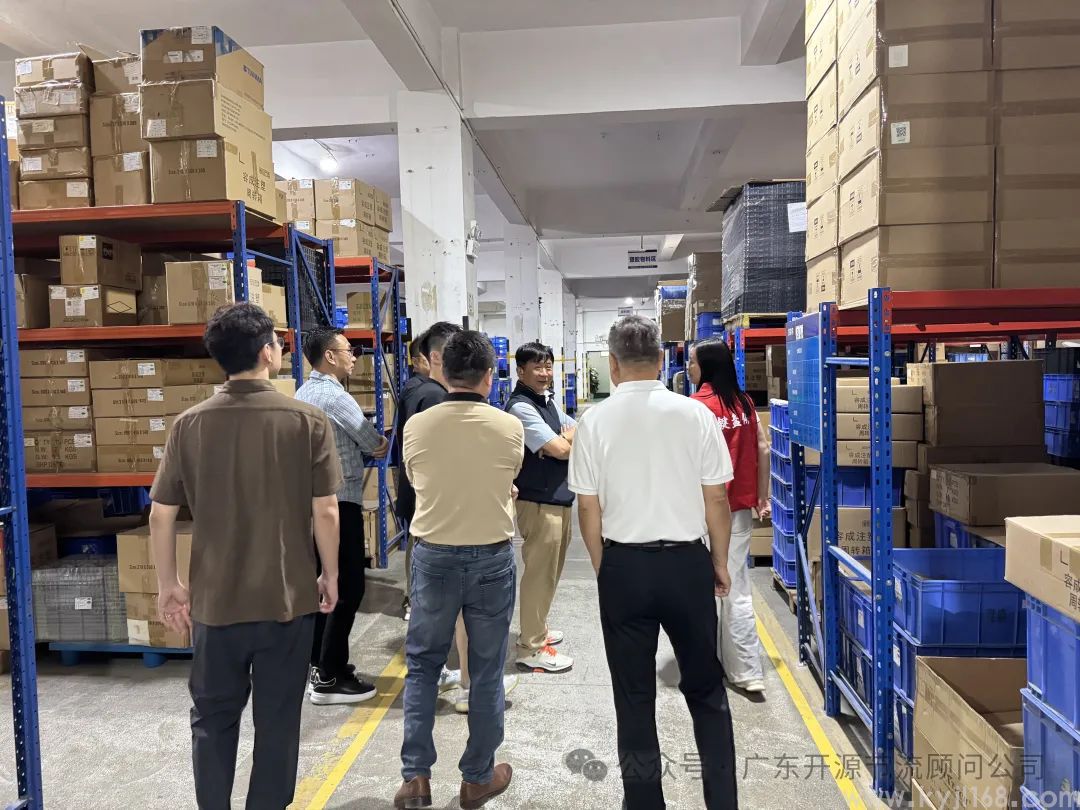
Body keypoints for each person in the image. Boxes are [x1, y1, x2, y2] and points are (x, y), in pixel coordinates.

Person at [150, 303, 343, 810]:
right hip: (287, 600)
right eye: (277, 341)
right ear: (266, 352)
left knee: (212, 719)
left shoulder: (188, 424)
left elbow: (161, 514)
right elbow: (326, 510)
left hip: (216, 605)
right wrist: (330, 573)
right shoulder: (307, 420)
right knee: (278, 722)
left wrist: (169, 585)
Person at [568, 315, 739, 810]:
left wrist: (604, 566)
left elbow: (588, 508)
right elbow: (717, 500)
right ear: (662, 360)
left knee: (634, 698)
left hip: (624, 566)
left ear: (613, 364)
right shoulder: (695, 415)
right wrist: (719, 562)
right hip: (687, 564)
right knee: (706, 692)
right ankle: (722, 802)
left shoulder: (594, 421)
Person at [396, 330, 523, 810]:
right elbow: (507, 478)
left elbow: (417, 480)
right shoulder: (508, 426)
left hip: (433, 555)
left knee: (423, 666)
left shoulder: (417, 425)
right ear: (489, 376)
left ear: (442, 372)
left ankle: (415, 778)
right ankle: (477, 778)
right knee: (486, 670)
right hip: (490, 555)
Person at [296, 327, 391, 704]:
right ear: (330, 356)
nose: (354, 357)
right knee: (348, 587)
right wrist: (380, 442)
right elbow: (372, 441)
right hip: (340, 501)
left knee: (324, 585)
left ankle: (319, 664)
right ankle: (329, 677)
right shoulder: (335, 396)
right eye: (349, 350)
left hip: (312, 501)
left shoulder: (303, 393)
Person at [688, 338, 770, 694]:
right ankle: (743, 668)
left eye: (692, 361)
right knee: (735, 584)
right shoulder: (745, 404)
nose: (688, 367)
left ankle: (712, 665)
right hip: (738, 513)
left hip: (702, 512)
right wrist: (762, 496)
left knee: (705, 589)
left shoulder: (696, 407)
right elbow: (764, 448)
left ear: (706, 366)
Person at [505, 341, 575, 673]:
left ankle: (538, 628)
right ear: (521, 371)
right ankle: (530, 647)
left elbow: (574, 431)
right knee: (539, 575)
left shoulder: (546, 400)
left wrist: (562, 438)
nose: (545, 373)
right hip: (538, 501)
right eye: (538, 367)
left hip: (558, 496)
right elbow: (561, 448)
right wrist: (559, 440)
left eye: (548, 366)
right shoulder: (521, 407)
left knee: (551, 573)